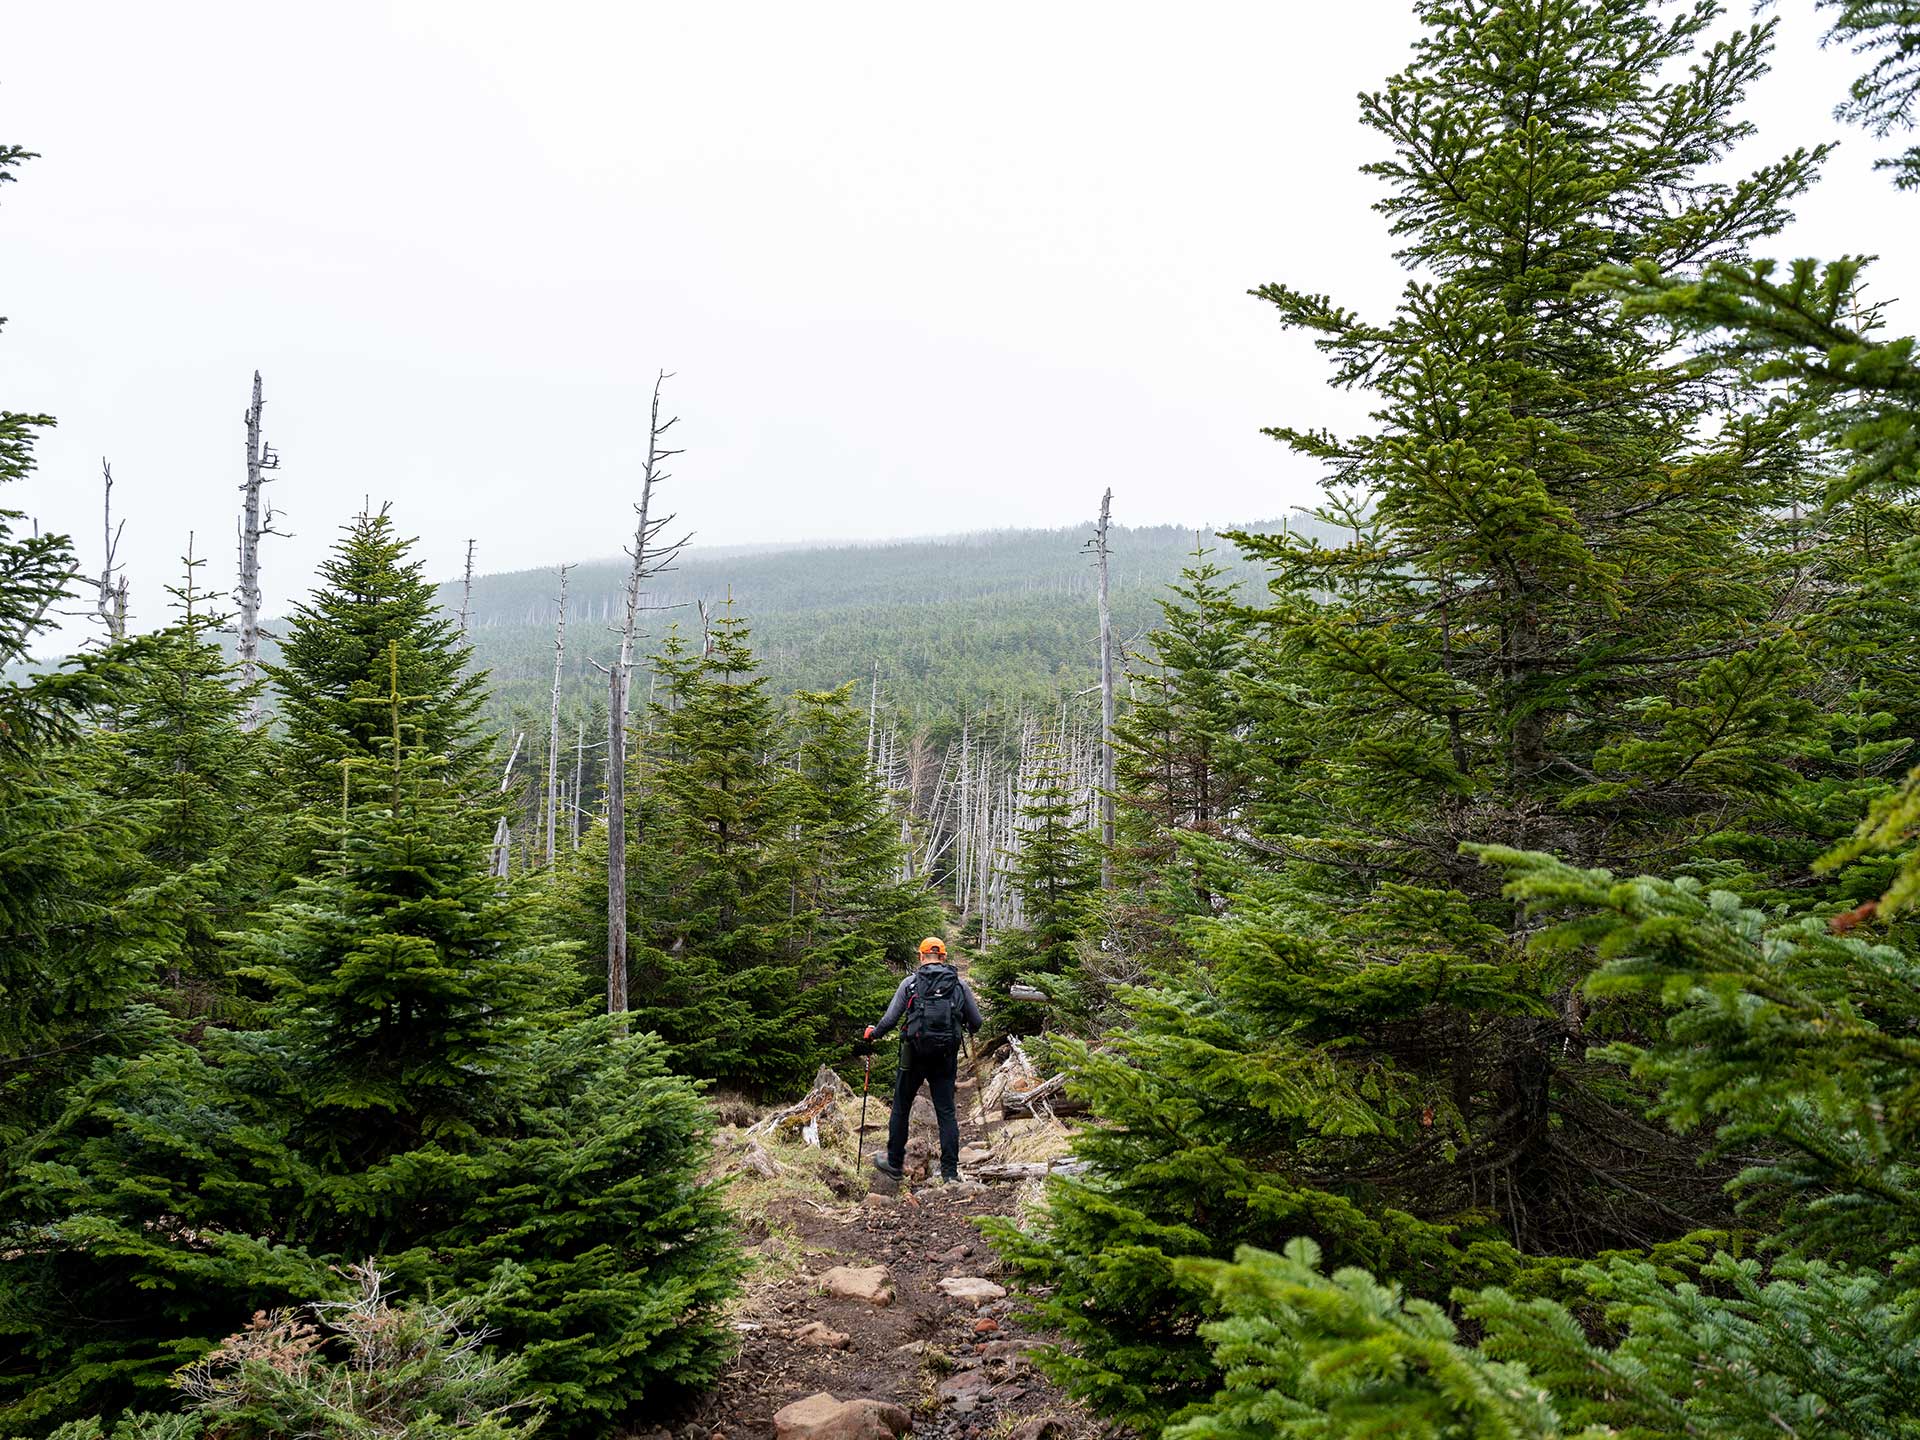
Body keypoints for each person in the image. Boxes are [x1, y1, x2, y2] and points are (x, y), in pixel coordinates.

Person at [864, 936, 982, 1183]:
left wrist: (873, 1034)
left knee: (902, 1106)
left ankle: (894, 1164)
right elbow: (977, 1022)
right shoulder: (958, 985)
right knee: (946, 1112)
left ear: (921, 956)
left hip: (914, 1055)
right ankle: (949, 1173)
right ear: (943, 957)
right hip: (945, 1057)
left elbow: (890, 1019)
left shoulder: (910, 983)